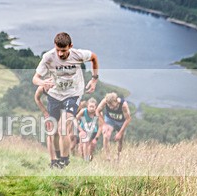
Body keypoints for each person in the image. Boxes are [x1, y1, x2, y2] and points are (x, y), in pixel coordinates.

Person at [32, 32, 99, 168]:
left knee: (64, 127)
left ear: (70, 46)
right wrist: (42, 82)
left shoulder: (78, 54)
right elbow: (35, 78)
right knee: (54, 131)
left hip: (73, 94)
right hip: (55, 95)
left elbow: (93, 57)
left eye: (63, 50)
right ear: (54, 46)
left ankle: (64, 159)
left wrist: (94, 79)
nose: (60, 54)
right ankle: (57, 159)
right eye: (58, 50)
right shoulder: (48, 57)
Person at [97, 92, 131, 161]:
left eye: (112, 105)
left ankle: (118, 156)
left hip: (121, 122)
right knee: (106, 135)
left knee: (120, 140)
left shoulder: (123, 105)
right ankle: (108, 157)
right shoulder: (105, 101)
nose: (110, 107)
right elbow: (97, 111)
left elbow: (128, 119)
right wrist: (104, 124)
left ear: (116, 102)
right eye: (108, 105)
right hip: (110, 119)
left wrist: (120, 133)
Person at [34, 85, 61, 168]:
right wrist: (45, 112)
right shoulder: (41, 88)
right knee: (50, 134)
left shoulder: (60, 84)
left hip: (62, 110)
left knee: (57, 134)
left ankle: (59, 156)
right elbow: (37, 98)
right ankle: (53, 160)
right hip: (51, 111)